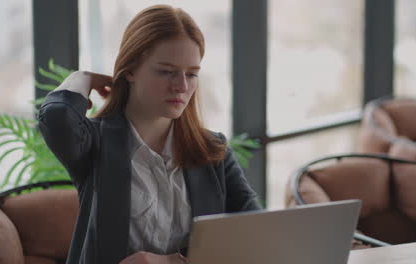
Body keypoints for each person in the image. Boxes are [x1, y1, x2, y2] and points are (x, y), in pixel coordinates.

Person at [38, 4, 261, 264]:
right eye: (166, 71)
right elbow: (57, 118)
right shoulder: (95, 144)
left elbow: (254, 233)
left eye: (191, 74)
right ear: (130, 69)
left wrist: (170, 261)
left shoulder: (213, 150)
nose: (181, 86)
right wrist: (83, 77)